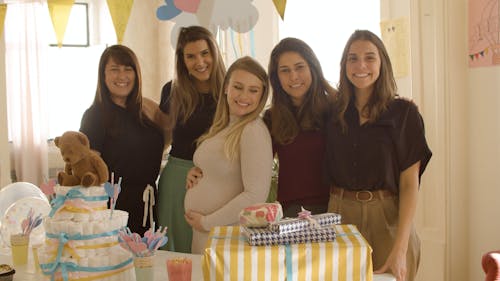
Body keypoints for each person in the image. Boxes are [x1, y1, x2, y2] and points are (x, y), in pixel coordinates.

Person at [325, 30, 432, 281]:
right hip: (340, 215)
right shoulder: (332, 112)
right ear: (344, 65)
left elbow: (409, 184)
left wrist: (400, 247)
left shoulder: (404, 113)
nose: (361, 65)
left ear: (382, 62)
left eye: (369, 57)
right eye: (352, 58)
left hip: (388, 217)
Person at [184, 56, 273, 254]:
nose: (244, 96)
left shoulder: (253, 130)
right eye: (238, 87)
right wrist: (197, 173)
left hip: (225, 236)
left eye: (253, 90)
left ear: (261, 96)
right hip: (211, 235)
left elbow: (255, 196)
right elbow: (223, 171)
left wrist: (207, 222)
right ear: (226, 87)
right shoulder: (225, 125)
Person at [80, 45, 165, 235]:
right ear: (103, 76)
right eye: (114, 69)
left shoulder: (146, 112)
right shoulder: (94, 116)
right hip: (113, 209)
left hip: (147, 204)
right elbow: (88, 172)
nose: (122, 76)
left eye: (128, 69)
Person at [157, 26, 226, 253]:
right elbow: (163, 135)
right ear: (182, 60)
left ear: (214, 53)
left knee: (211, 250)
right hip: (177, 180)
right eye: (191, 56)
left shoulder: (230, 90)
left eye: (205, 53)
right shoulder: (172, 91)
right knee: (176, 252)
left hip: (217, 179)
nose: (200, 61)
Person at [264, 37, 337, 218]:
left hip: (336, 207)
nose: (293, 76)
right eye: (285, 70)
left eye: (299, 67)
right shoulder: (271, 118)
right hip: (291, 212)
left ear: (312, 67)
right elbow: (250, 161)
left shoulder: (335, 108)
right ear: (276, 77)